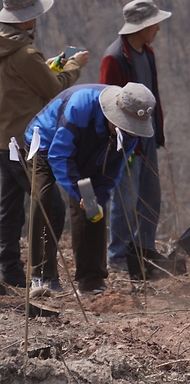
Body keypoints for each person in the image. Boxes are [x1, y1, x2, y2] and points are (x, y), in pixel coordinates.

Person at [0, 0, 90, 288]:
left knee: (8, 210)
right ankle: (43, 275)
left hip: (1, 142)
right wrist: (74, 67)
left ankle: (9, 271)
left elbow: (20, 82)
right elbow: (54, 90)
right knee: (48, 208)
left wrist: (47, 66)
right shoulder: (26, 54)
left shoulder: (14, 52)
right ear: (27, 18)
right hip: (26, 143)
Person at [26, 83, 152, 295]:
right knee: (44, 199)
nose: (127, 130)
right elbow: (59, 155)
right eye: (124, 124)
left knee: (94, 207)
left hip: (89, 152)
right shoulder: (80, 107)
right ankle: (42, 276)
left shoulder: (130, 133)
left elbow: (113, 170)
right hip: (46, 145)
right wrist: (78, 191)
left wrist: (98, 196)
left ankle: (91, 280)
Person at [101, 0, 170, 272]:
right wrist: (120, 141)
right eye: (154, 24)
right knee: (126, 200)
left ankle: (144, 251)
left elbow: (154, 95)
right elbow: (108, 103)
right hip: (127, 141)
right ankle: (119, 257)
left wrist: (159, 133)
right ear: (140, 26)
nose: (158, 29)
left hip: (149, 135)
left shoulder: (147, 53)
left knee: (151, 196)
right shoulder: (114, 57)